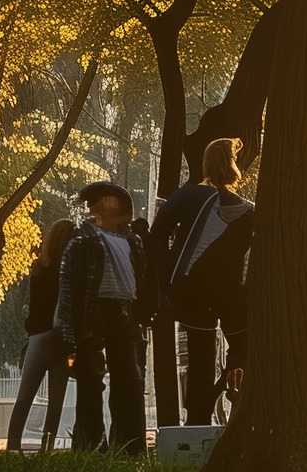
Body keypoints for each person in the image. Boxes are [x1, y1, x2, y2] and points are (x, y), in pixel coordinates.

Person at [149, 138, 253, 425]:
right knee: (245, 350)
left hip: (191, 293)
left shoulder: (186, 197)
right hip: (233, 299)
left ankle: (198, 421)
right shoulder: (250, 212)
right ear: (233, 165)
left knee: (199, 361)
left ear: (206, 164)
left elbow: (156, 236)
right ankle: (234, 396)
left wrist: (166, 280)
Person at [58, 180, 151, 456]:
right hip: (92, 313)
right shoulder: (82, 241)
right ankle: (91, 444)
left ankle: (130, 445)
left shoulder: (132, 242)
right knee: (90, 379)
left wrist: (142, 313)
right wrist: (68, 328)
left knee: (129, 380)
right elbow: (68, 286)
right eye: (98, 204)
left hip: (124, 312)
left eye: (110, 203)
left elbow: (143, 279)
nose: (103, 207)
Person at [7, 218, 76, 452]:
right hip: (61, 339)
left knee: (24, 398)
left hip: (38, 337)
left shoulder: (39, 268)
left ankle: (13, 447)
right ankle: (46, 450)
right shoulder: (70, 270)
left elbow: (33, 305)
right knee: (56, 402)